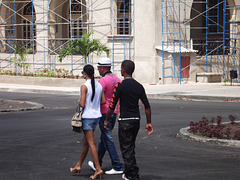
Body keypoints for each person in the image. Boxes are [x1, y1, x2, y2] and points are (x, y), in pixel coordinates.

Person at [104, 60, 153, 180]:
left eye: (121, 68)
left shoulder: (119, 86)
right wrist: (148, 122)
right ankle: (127, 173)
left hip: (124, 120)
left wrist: (107, 120)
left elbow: (112, 105)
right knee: (130, 147)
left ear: (123, 70)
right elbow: (147, 106)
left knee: (126, 149)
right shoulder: (139, 86)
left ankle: (133, 175)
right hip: (136, 120)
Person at [70, 64, 106, 179]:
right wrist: (93, 103)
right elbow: (103, 101)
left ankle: (98, 169)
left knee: (91, 143)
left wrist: (81, 100)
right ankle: (78, 165)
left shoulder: (84, 86)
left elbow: (82, 104)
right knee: (86, 142)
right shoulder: (99, 85)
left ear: (85, 73)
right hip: (96, 116)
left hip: (87, 117)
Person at [88, 58, 123, 174]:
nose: (98, 69)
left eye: (98, 67)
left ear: (102, 68)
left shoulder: (103, 81)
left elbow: (97, 96)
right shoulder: (117, 79)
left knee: (107, 138)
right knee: (104, 138)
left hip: (104, 113)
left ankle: (117, 166)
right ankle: (96, 162)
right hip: (114, 112)